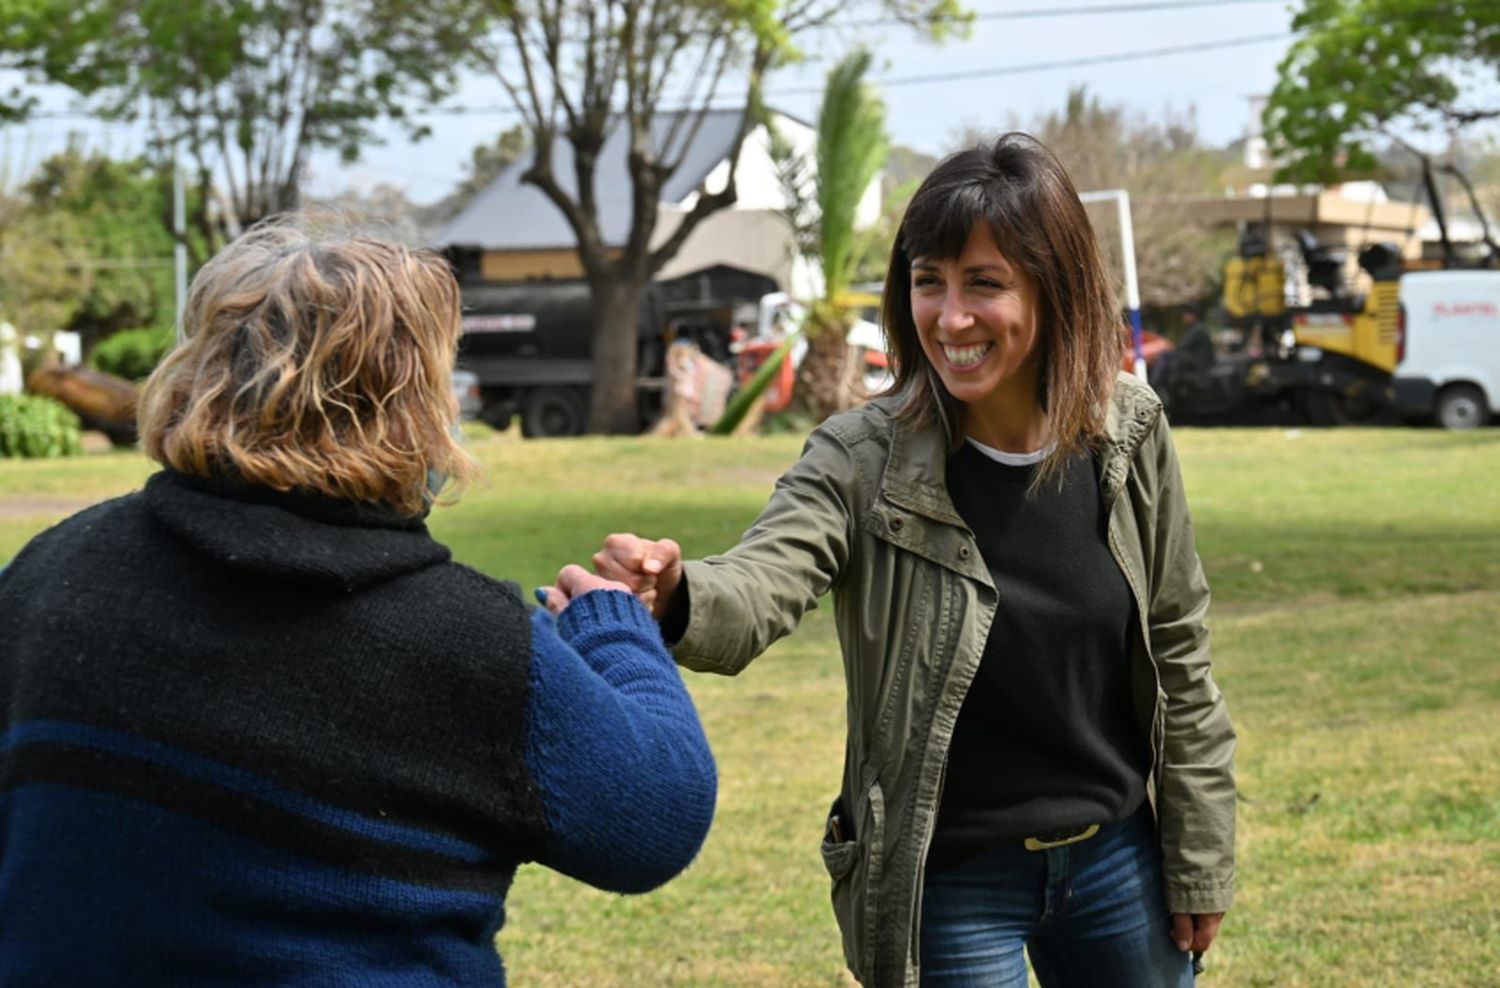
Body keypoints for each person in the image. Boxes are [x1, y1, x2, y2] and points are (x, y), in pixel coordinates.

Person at [590, 134, 1235, 987]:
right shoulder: (861, 458)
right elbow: (763, 580)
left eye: (985, 284)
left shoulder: (1130, 431)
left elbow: (1180, 651)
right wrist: (678, 592)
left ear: (1058, 288)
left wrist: (1197, 851)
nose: (949, 317)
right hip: (949, 879)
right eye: (929, 280)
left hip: (1118, 859)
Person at [0, 223, 716, 986]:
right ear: (413, 402)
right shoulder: (476, 647)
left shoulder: (53, 571)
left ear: (201, 370)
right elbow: (657, 818)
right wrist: (615, 629)